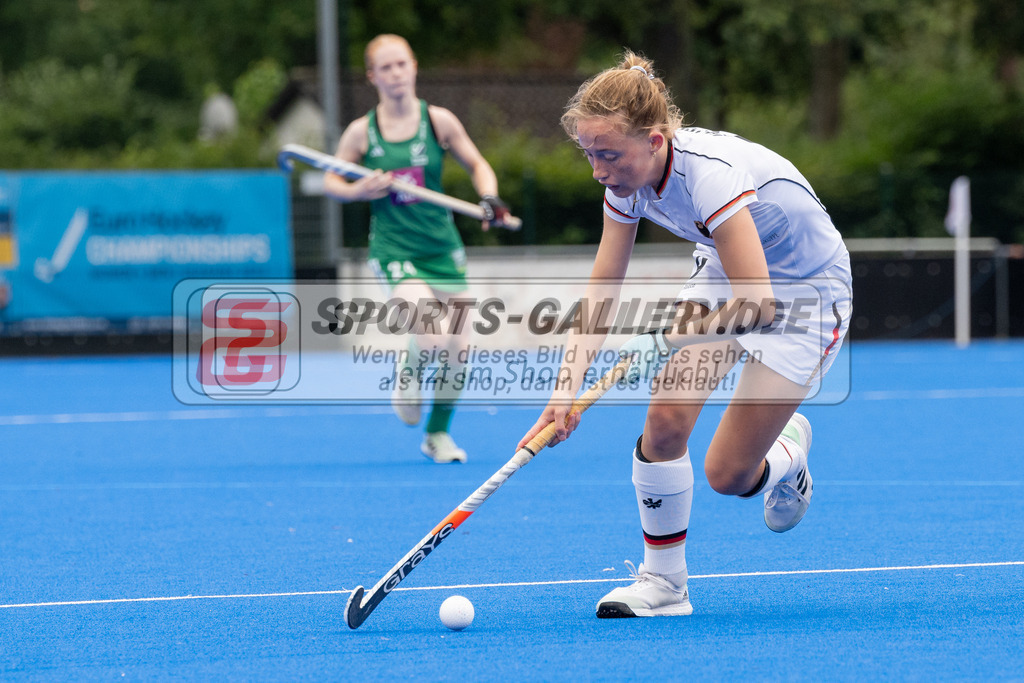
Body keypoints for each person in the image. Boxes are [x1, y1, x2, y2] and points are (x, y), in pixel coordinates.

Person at [517, 51, 852, 618]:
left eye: (608, 154)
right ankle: (666, 585)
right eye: (589, 153)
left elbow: (760, 303)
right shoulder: (624, 183)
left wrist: (663, 338)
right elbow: (603, 285)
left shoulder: (710, 172)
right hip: (729, 270)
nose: (598, 169)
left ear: (653, 140)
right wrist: (564, 390)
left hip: (808, 293)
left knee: (728, 475)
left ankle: (788, 451)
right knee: (666, 421)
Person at [325, 34, 515, 464]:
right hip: (395, 250)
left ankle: (437, 435)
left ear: (414, 68)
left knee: (459, 346)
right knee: (431, 331)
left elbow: (478, 164)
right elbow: (332, 180)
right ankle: (408, 370)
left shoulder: (438, 121)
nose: (395, 74)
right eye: (386, 68)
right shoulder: (362, 132)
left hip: (442, 247)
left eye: (402, 65)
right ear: (373, 76)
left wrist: (489, 196)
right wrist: (360, 189)